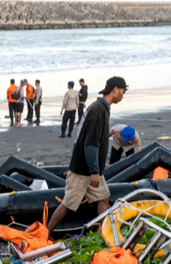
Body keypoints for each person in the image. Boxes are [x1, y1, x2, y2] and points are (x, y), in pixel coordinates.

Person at [47, 76, 127, 234]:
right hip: (83, 169)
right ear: (115, 90)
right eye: (122, 92)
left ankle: (106, 234)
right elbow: (90, 143)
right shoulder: (98, 110)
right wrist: (94, 171)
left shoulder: (100, 108)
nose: (122, 96)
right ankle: (45, 234)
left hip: (91, 167)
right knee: (68, 204)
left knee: (103, 197)